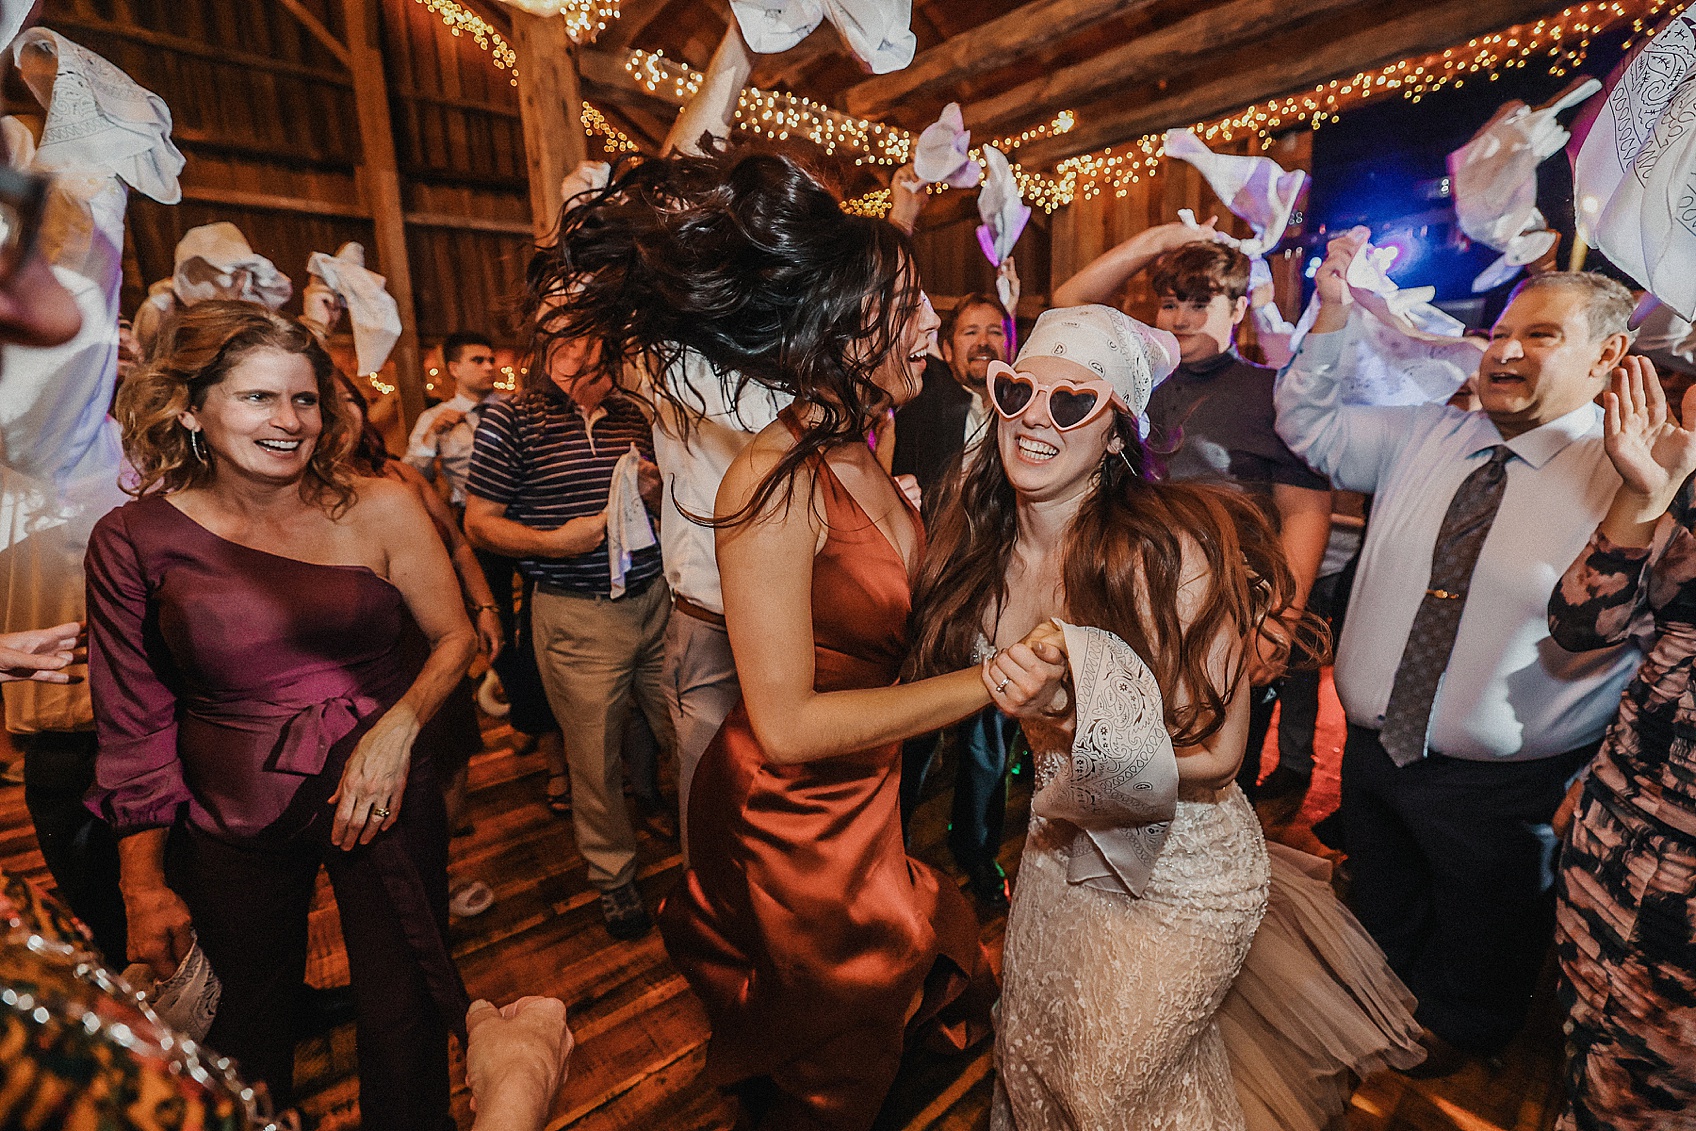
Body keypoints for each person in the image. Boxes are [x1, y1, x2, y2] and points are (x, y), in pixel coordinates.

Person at [537, 146, 1057, 1130]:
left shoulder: (859, 443)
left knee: (884, 1004)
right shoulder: (771, 483)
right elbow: (784, 725)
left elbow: (885, 610)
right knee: (828, 1065)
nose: (932, 326)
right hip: (787, 819)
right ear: (837, 325)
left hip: (863, 798)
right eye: (905, 309)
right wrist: (989, 682)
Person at [912, 303, 1420, 1130]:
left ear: (1118, 432)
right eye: (1016, 392)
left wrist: (1070, 717)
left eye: (1073, 401)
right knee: (1040, 1055)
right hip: (1061, 850)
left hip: (1182, 870)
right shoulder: (979, 545)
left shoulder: (1176, 548)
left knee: (1116, 1088)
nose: (1036, 416)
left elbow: (1220, 753)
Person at [87, 301, 476, 1129]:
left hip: (383, 792)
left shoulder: (382, 504)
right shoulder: (134, 539)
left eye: (305, 399)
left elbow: (454, 638)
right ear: (192, 408)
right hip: (226, 809)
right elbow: (134, 721)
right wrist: (142, 882)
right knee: (242, 1026)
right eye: (259, 397)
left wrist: (398, 728)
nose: (290, 420)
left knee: (404, 1010)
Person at [1275, 244, 1644, 1070]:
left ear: (1608, 356)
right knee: (1383, 903)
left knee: (1487, 932)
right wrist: (1333, 309)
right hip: (1376, 751)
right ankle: (1378, 1004)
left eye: (1541, 334)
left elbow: (1652, 641)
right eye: (1501, 330)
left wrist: (1600, 782)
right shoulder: (1424, 431)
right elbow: (1308, 423)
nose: (1505, 349)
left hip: (1506, 784)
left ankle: (1470, 1032)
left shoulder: (1632, 478)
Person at [1054, 227, 1332, 805]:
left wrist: (1280, 619)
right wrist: (1157, 241)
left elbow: (1304, 509)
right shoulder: (1138, 375)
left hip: (1230, 602)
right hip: (1130, 593)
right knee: (1125, 752)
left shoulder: (1277, 391)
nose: (1180, 318)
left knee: (1213, 772)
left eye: (1199, 303)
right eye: (1170, 302)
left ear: (1238, 308)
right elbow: (1069, 306)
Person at [464, 322, 675, 941]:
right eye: (566, 348)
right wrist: (553, 542)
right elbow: (480, 523)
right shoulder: (512, 418)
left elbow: (662, 501)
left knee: (686, 733)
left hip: (656, 599)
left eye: (596, 348)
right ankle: (615, 879)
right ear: (541, 355)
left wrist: (657, 494)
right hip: (576, 613)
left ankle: (709, 854)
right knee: (593, 757)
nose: (583, 359)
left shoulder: (631, 414)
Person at [1546, 355, 1696, 1130]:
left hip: (1683, 916)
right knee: (1584, 1050)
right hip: (1613, 845)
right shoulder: (1685, 494)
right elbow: (1582, 626)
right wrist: (1645, 497)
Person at [340, 371, 501, 917]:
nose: (341, 412)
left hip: (431, 636)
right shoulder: (297, 494)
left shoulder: (402, 476)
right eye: (326, 401)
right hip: (365, 653)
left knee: (452, 754)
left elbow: (457, 544)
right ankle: (406, 887)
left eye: (348, 400)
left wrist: (484, 607)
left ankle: (438, 865)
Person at [892, 291, 1023, 908]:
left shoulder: (1026, 411)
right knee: (915, 734)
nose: (983, 341)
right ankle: (887, 847)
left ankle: (978, 853)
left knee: (987, 745)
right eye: (969, 331)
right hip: (934, 596)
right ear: (947, 348)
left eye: (995, 330)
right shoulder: (921, 405)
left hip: (1000, 597)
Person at [648, 347, 788, 856]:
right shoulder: (679, 361)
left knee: (779, 800)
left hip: (795, 622)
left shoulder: (794, 359)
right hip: (713, 623)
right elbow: (758, 428)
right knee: (710, 800)